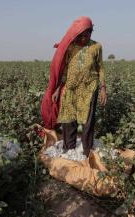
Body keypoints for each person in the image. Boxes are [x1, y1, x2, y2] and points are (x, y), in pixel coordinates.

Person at [41, 16, 107, 156]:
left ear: (91, 33)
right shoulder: (70, 47)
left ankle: (87, 150)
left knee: (87, 121)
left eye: (87, 34)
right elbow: (64, 70)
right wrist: (58, 88)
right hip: (70, 88)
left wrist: (103, 88)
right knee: (68, 119)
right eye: (80, 35)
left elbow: (100, 68)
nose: (83, 38)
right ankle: (68, 148)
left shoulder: (96, 47)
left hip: (89, 88)